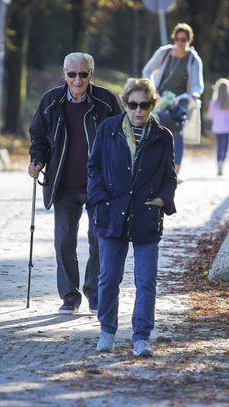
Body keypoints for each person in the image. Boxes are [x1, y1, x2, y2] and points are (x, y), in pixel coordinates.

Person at [87, 78, 177, 357]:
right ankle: (107, 331)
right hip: (112, 213)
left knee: (146, 280)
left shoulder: (163, 136)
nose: (138, 110)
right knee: (108, 278)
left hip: (146, 215)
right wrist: (100, 201)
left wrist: (163, 199)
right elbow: (93, 167)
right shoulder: (108, 129)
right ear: (125, 103)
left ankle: (141, 337)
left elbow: (169, 176)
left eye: (145, 105)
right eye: (133, 104)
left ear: (152, 105)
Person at [28, 52, 121, 315]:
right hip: (63, 184)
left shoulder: (106, 101)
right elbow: (38, 137)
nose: (77, 80)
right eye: (72, 74)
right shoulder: (50, 101)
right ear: (64, 73)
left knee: (98, 241)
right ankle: (70, 296)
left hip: (99, 187)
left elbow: (122, 139)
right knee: (64, 243)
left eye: (83, 74)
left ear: (91, 74)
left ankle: (94, 293)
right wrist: (37, 160)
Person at [142, 23, 203, 182]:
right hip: (160, 96)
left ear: (189, 40)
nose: (180, 43)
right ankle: (153, 165)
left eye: (183, 40)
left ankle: (175, 172)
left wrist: (194, 94)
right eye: (177, 39)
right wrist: (151, 88)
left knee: (177, 129)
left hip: (180, 98)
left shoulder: (193, 59)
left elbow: (197, 82)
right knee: (155, 126)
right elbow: (147, 70)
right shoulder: (164, 53)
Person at [208, 78, 229, 176]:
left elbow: (210, 114)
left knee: (218, 147)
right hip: (227, 128)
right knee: (225, 147)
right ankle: (222, 161)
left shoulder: (214, 102)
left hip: (217, 128)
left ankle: (218, 163)